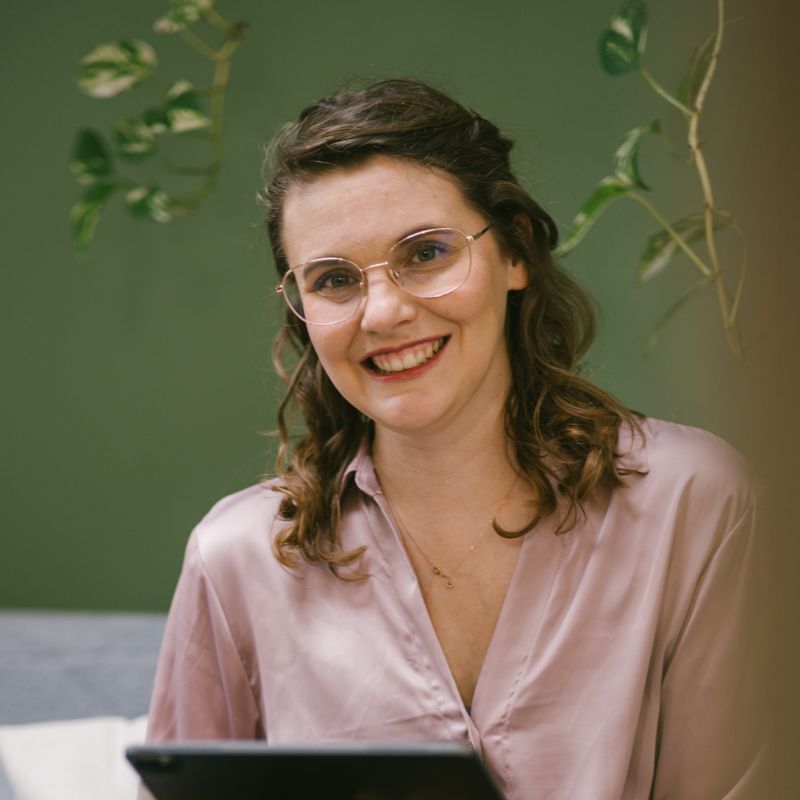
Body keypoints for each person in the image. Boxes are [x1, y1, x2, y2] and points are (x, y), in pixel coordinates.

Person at [145, 79, 761, 798]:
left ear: (514, 251)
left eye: (426, 253)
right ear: (302, 312)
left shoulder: (695, 503)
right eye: (335, 279)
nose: (382, 312)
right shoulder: (237, 559)